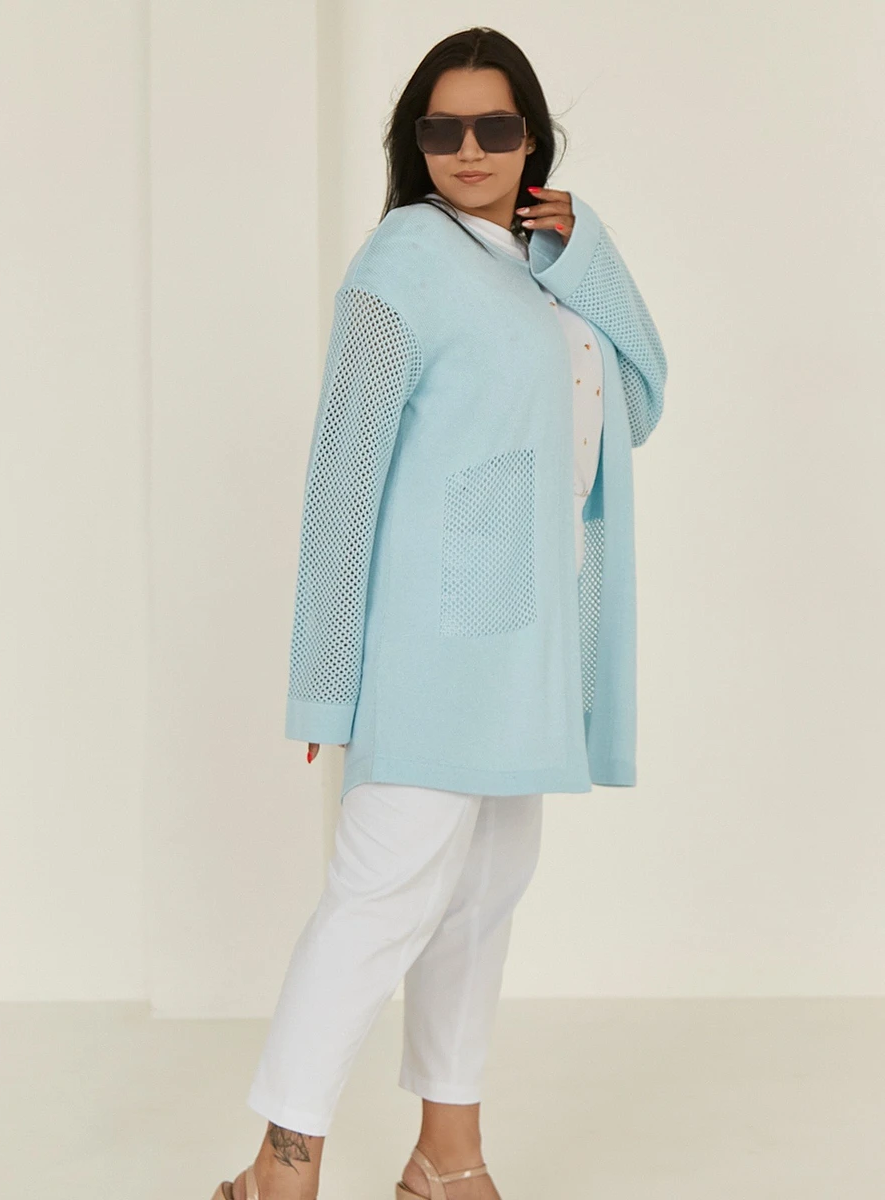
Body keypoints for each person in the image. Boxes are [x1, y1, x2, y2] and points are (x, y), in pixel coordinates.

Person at [212, 24, 668, 1200]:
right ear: (414, 144)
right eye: (442, 128)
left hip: (526, 646)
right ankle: (279, 1167)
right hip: (432, 641)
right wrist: (324, 682)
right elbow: (342, 476)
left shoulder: (542, 268)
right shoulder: (400, 262)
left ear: (534, 140)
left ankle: (446, 1156)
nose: (470, 148)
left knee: (481, 897)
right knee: (380, 899)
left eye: (496, 126)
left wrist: (586, 248)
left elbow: (639, 398)